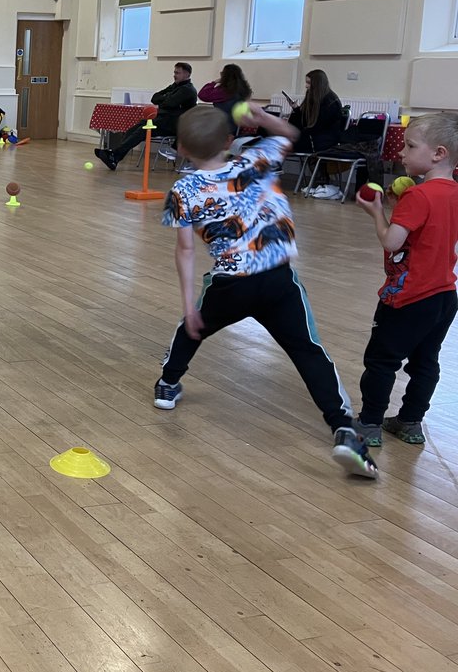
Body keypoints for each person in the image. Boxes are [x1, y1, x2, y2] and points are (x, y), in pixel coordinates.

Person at [154, 103, 378, 478]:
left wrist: (188, 303)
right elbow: (291, 135)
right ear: (230, 140)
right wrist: (262, 117)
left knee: (192, 328)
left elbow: (185, 250)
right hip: (278, 280)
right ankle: (343, 427)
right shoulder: (256, 158)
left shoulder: (183, 189)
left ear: (181, 147)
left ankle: (168, 383)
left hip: (230, 282)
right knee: (309, 351)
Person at [352, 114, 458, 448]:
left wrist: (377, 212)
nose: (401, 152)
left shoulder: (418, 197)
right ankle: (410, 422)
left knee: (382, 360)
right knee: (426, 361)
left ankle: (369, 423)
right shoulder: (452, 193)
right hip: (445, 294)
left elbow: (392, 242)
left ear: (438, 154)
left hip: (408, 296)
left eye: (410, 146)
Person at [94, 62, 196, 171]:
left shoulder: (187, 90)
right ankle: (115, 156)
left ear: (186, 74)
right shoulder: (174, 86)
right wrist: (167, 97)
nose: (174, 75)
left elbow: (169, 103)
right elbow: (155, 98)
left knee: (143, 130)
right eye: (174, 72)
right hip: (161, 120)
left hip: (173, 125)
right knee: (134, 128)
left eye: (177, 73)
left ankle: (114, 155)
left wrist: (165, 97)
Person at [288, 70, 345, 154]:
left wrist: (298, 134)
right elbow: (306, 121)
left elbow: (318, 126)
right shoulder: (314, 97)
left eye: (309, 83)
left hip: (322, 141)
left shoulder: (330, 102)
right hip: (315, 137)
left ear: (317, 84)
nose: (306, 86)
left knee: (282, 143)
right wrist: (296, 109)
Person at [197, 63, 253, 134]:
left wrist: (214, 82)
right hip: (238, 126)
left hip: (222, 126)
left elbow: (202, 95)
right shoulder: (244, 90)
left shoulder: (222, 91)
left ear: (224, 76)